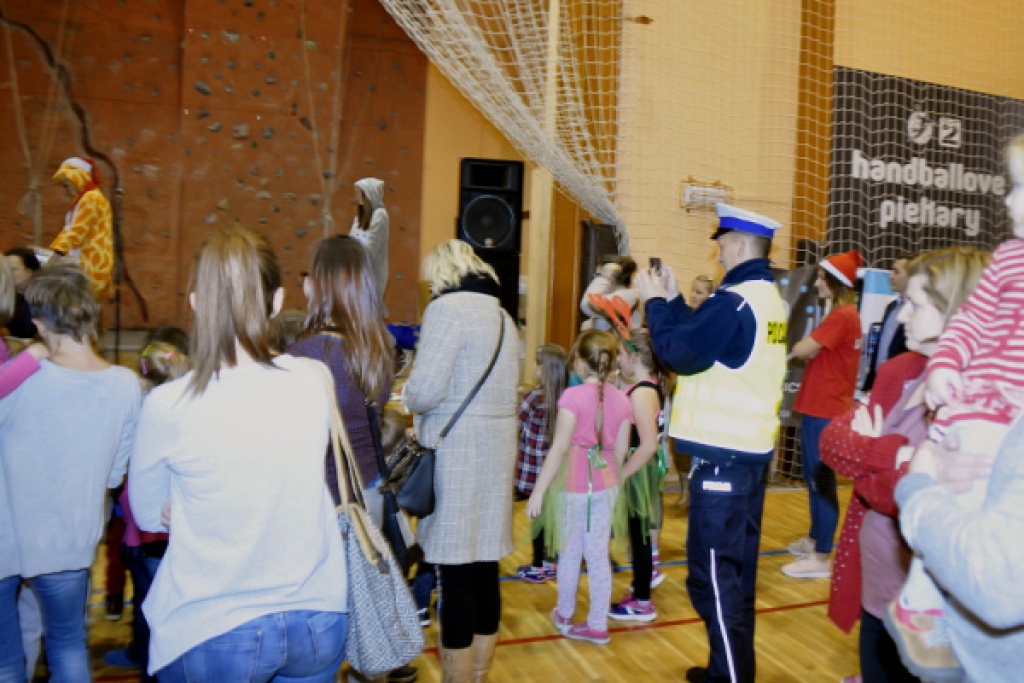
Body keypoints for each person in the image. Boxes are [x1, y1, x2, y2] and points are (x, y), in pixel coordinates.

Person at [129, 227, 348, 681]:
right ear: (277, 300)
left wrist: (188, 505)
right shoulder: (314, 378)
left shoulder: (168, 405)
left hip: (216, 625)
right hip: (317, 617)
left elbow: (150, 514)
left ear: (195, 302)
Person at [888, 133, 1024, 680]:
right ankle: (923, 605)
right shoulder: (1009, 258)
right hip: (982, 406)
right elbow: (969, 320)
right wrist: (945, 365)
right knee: (961, 498)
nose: (1008, 200)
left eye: (1020, 188)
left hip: (1010, 415)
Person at [820, 247, 989, 683]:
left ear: (956, 310)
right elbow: (832, 442)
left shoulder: (979, 395)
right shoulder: (900, 370)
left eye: (915, 305)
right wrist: (896, 456)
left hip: (935, 610)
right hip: (878, 589)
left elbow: (913, 495)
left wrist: (871, 459)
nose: (903, 317)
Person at [636, 203, 788, 683]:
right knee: (733, 579)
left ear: (739, 245)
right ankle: (728, 670)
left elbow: (679, 353)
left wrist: (653, 304)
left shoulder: (735, 302)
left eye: (721, 246)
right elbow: (705, 339)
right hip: (746, 456)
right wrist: (672, 298)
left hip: (724, 460)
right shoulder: (764, 298)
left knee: (714, 582)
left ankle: (732, 676)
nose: (717, 255)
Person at [0, 263, 140, 683]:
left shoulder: (20, 380)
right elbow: (114, 475)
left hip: (7, 535)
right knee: (67, 646)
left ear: (40, 323)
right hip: (69, 538)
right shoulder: (126, 384)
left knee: (6, 660)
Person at [286, 236, 415, 683]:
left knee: (320, 619)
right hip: (368, 492)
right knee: (364, 610)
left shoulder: (304, 354)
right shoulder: (378, 347)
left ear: (321, 285)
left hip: (322, 501)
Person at [401, 239, 518, 683]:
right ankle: (480, 672)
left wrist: (407, 394)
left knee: (454, 573)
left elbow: (425, 391)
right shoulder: (504, 316)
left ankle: (457, 677)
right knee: (485, 567)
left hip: (456, 453)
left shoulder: (446, 310)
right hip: (496, 451)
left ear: (443, 272)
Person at [526, 330, 631, 644]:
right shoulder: (622, 399)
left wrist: (538, 491)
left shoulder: (572, 397)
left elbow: (559, 448)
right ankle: (597, 624)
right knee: (598, 555)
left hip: (572, 484)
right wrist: (611, 484)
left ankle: (565, 612)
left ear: (582, 363)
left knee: (570, 552)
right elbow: (621, 452)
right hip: (606, 485)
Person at [105, 335, 192, 680]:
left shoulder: (144, 413)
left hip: (146, 534)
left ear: (144, 376)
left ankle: (149, 668)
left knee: (149, 610)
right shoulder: (191, 410)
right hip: (176, 532)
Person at [783, 250, 864, 579]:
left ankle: (821, 556)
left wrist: (802, 348)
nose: (816, 283)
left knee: (821, 481)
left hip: (825, 409)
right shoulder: (843, 314)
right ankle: (817, 538)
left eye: (821, 278)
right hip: (820, 406)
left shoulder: (842, 315)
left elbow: (802, 350)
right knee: (814, 477)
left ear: (835, 282)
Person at [609, 329, 671, 623]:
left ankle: (643, 601)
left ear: (634, 357)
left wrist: (621, 474)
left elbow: (648, 445)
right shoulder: (647, 387)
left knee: (639, 535)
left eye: (621, 354)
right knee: (639, 534)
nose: (618, 360)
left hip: (638, 470)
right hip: (640, 468)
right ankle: (640, 589)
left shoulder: (642, 393)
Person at [517, 343, 569, 584]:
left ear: (542, 369)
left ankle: (538, 564)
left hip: (535, 470)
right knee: (553, 517)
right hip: (560, 470)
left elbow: (516, 425)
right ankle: (551, 561)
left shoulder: (533, 398)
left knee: (538, 517)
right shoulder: (567, 398)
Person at [51, 157, 115, 299]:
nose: (65, 189)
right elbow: (68, 231)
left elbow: (75, 234)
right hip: (83, 263)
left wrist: (52, 260)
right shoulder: (84, 199)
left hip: (87, 265)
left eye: (67, 184)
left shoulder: (91, 198)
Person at [862, 253, 913, 392]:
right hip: (879, 384)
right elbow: (880, 348)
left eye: (896, 272)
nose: (890, 276)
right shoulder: (891, 307)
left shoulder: (919, 311)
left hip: (901, 387)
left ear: (912, 276)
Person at [350, 178, 390, 317]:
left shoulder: (380, 215)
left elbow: (370, 249)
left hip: (371, 273)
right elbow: (350, 241)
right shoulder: (358, 219)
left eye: (359, 192)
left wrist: (351, 249)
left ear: (369, 194)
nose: (357, 196)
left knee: (368, 313)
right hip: (356, 272)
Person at [580, 255, 642, 331]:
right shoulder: (615, 296)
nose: (595, 279)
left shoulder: (628, 295)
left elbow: (587, 304)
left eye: (598, 274)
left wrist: (604, 277)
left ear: (612, 274)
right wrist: (594, 323)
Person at [5, 247, 41, 338]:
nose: (8, 274)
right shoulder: (6, 297)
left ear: (30, 271)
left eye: (14, 269)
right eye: (6, 270)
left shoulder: (45, 300)